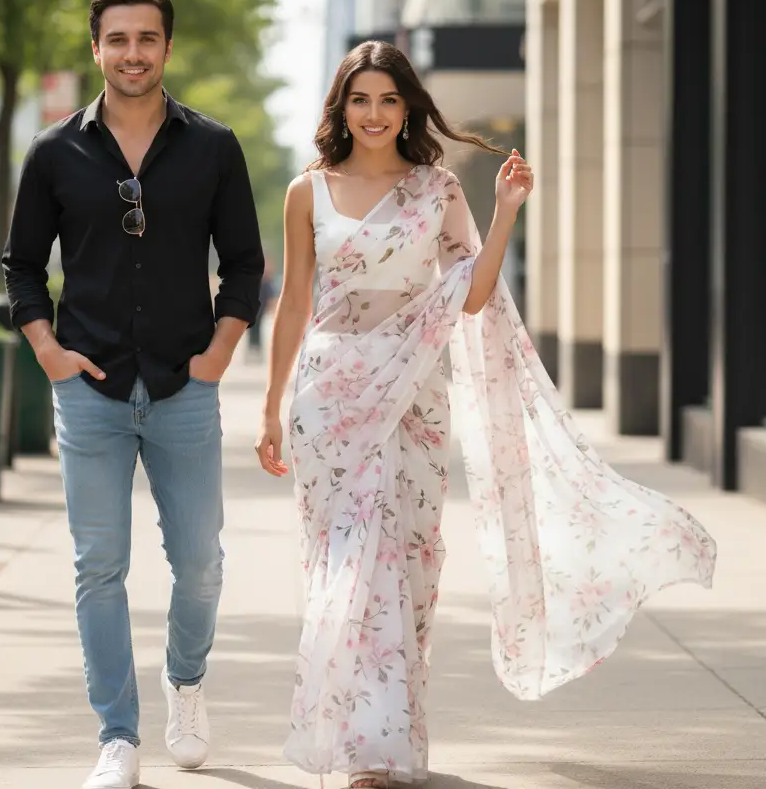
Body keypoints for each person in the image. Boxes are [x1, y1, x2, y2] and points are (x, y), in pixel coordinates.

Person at [255, 41, 716, 786]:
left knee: (408, 562)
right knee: (341, 566)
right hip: (330, 396)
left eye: (388, 100)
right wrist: (272, 409)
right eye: (360, 100)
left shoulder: (435, 190)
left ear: (408, 108)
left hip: (413, 397)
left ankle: (390, 737)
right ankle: (361, 746)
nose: (374, 115)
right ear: (340, 107)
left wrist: (504, 213)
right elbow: (296, 305)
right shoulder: (308, 190)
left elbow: (470, 295)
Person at [3, 0, 264, 789]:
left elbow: (246, 263)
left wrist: (221, 350)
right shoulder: (54, 152)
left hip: (186, 385)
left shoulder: (213, 146)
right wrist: (46, 346)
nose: (132, 53)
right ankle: (118, 737)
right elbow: (20, 268)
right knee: (99, 565)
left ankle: (185, 683)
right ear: (97, 49)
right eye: (117, 39)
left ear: (167, 48)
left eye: (146, 39)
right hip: (90, 387)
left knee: (201, 564)